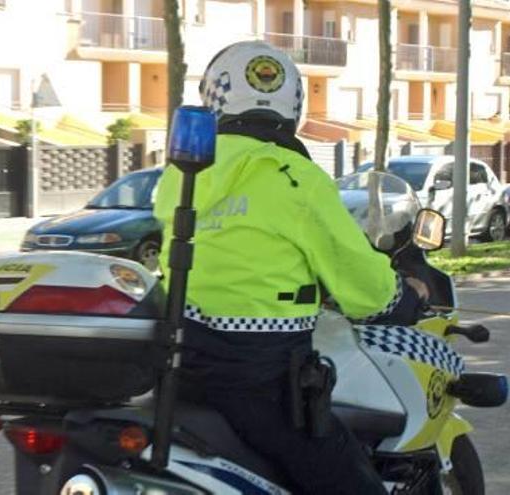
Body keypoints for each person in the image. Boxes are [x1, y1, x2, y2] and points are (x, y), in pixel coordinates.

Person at [153, 41, 428, 494]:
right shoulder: (292, 175)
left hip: (184, 367)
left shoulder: (181, 175)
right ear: (293, 104)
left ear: (214, 96)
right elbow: (357, 275)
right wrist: (404, 297)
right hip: (262, 378)